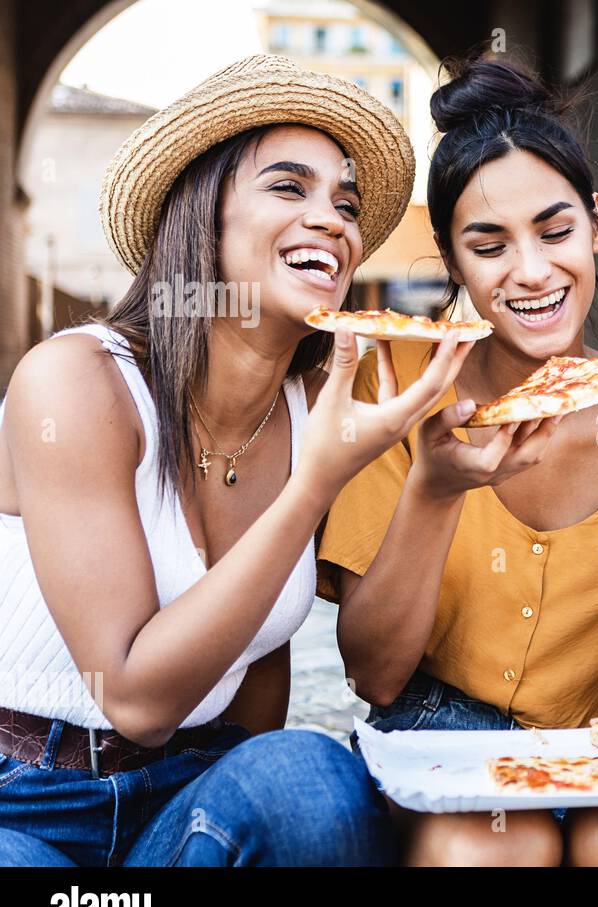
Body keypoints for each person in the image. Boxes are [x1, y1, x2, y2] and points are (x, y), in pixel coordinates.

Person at [0, 55, 474, 866]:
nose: (332, 220)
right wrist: (318, 479)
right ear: (200, 216)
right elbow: (136, 699)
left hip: (185, 796)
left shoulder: (318, 404)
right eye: (289, 188)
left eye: (347, 203)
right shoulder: (78, 383)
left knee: (309, 779)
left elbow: (257, 669)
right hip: (29, 803)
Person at [317, 59, 598, 867]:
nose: (533, 271)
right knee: (496, 850)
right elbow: (374, 674)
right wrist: (436, 491)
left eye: (555, 229)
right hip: (437, 738)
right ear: (451, 258)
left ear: (597, 223)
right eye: (489, 245)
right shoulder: (393, 389)